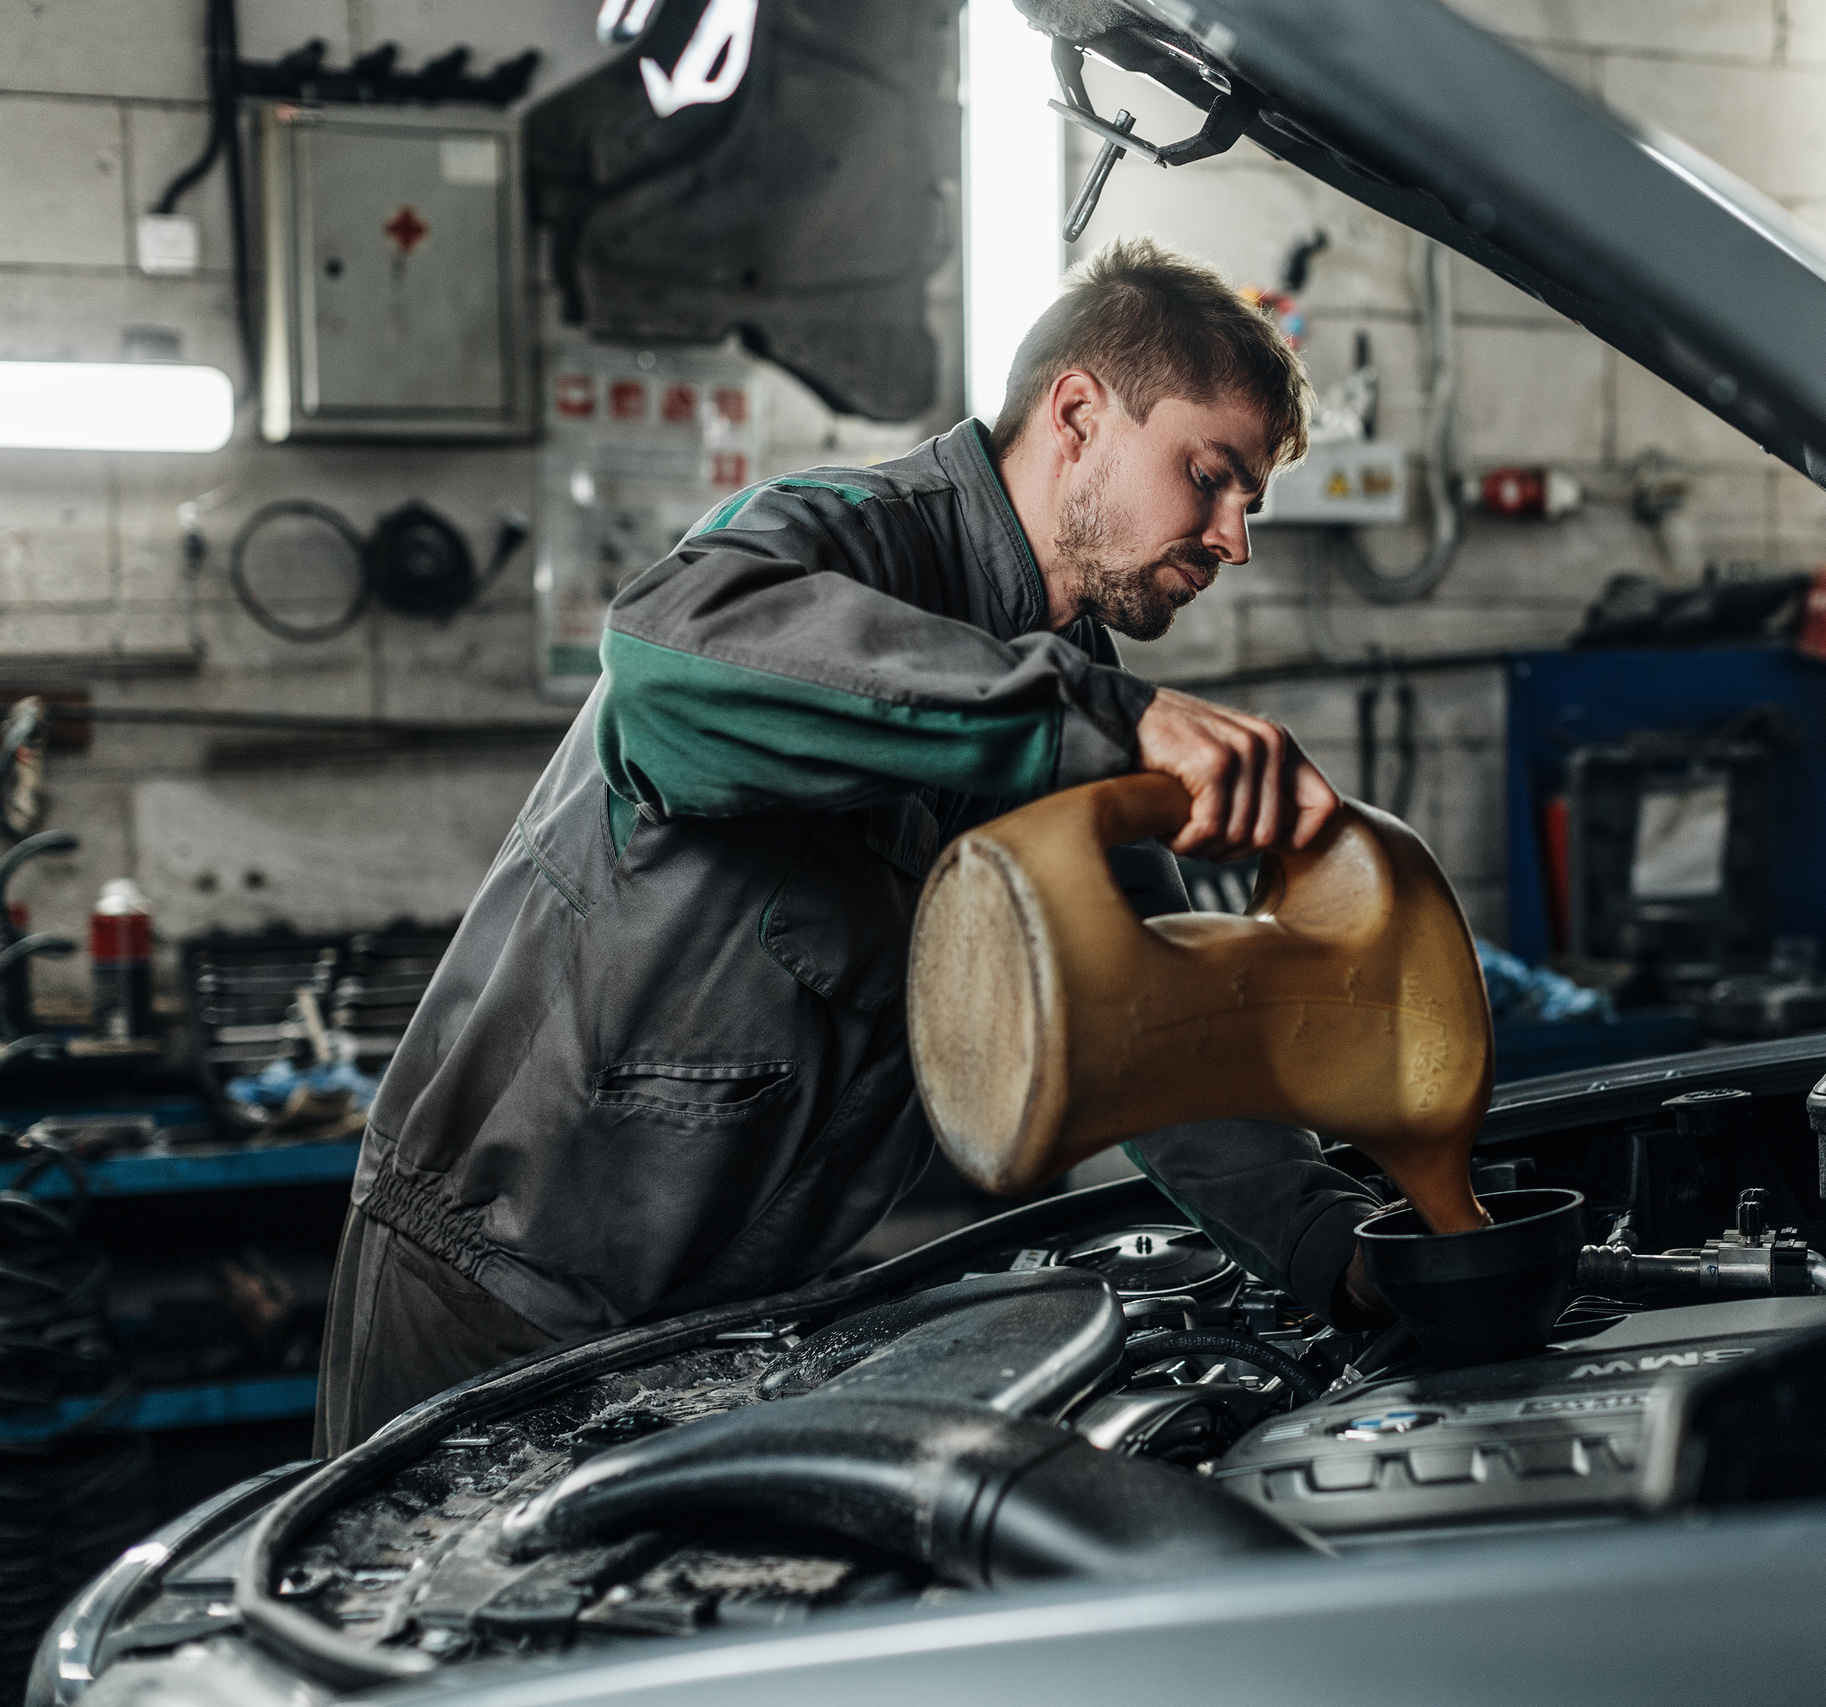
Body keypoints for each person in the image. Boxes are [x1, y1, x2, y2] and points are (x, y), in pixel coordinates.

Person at [312, 239, 1391, 1455]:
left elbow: (1146, 1022)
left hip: (721, 1328)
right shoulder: (840, 542)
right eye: (1211, 477)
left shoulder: (1073, 698)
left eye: (1249, 499)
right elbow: (666, 663)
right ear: (1079, 415)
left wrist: (1334, 1248)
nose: (1232, 538)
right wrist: (1110, 725)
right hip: (500, 1289)